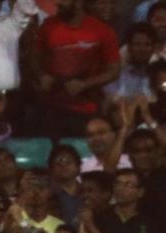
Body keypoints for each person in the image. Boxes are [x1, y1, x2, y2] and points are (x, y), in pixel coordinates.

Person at [32, 0, 120, 138]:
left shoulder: (102, 30)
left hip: (87, 109)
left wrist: (85, 85)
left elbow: (114, 71)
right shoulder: (48, 26)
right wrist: (41, 75)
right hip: (51, 109)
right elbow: (34, 58)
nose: (58, 3)